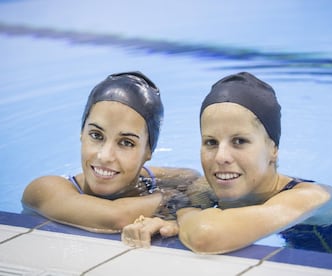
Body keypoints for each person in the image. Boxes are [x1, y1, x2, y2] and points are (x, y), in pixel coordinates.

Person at [121, 72, 332, 262]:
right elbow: (157, 177)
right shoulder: (215, 189)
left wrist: (181, 215)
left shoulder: (310, 197)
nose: (221, 156)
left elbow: (206, 235)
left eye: (240, 141)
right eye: (210, 142)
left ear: (273, 149)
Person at [22, 71, 200, 233]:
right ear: (81, 134)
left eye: (126, 142)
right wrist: (173, 199)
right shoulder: (43, 190)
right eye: (96, 135)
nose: (104, 156)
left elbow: (193, 177)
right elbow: (115, 217)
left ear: (147, 152)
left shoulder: (148, 181)